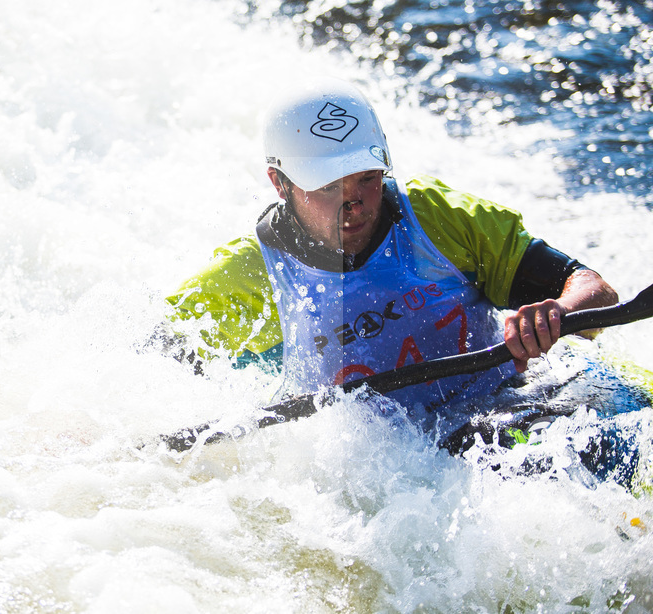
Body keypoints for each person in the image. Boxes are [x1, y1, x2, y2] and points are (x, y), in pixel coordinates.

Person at [161, 78, 632, 449]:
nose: (354, 204)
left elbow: (593, 290)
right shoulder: (249, 276)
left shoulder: (437, 218)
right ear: (279, 183)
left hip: (508, 407)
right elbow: (147, 362)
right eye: (327, 187)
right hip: (399, 474)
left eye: (366, 178)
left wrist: (558, 314)